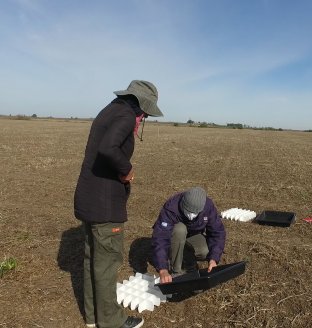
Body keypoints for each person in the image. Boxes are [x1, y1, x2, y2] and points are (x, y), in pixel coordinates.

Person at [74, 80, 163, 328]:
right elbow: (108, 148)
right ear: (140, 105)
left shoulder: (109, 109)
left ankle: (94, 318)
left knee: (92, 260)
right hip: (105, 205)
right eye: (145, 112)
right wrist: (127, 170)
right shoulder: (125, 114)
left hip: (88, 199)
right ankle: (112, 322)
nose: (144, 117)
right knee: (107, 264)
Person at [151, 187, 226, 284]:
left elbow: (218, 232)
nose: (191, 216)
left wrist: (213, 259)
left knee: (205, 251)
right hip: (174, 237)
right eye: (188, 211)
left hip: (192, 235)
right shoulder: (172, 207)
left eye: (195, 213)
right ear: (182, 203)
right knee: (179, 229)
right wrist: (162, 269)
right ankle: (176, 270)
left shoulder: (208, 206)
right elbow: (160, 238)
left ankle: (183, 253)